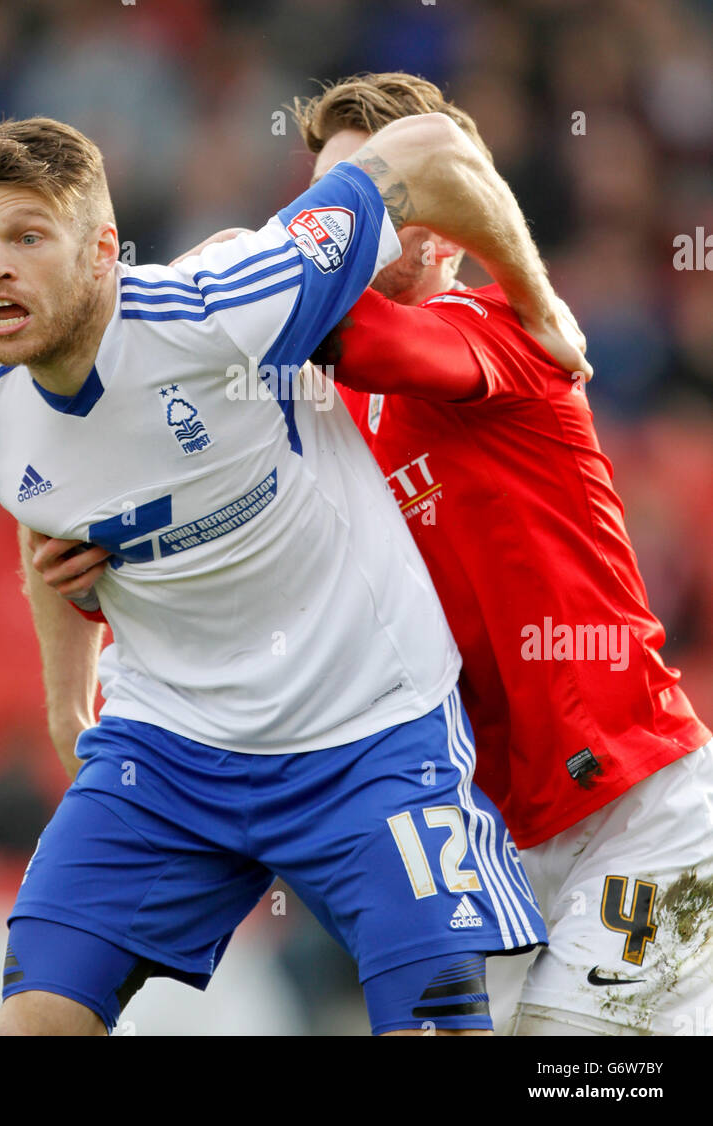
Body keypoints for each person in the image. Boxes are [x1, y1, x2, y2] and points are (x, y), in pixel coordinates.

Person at [0, 113, 585, 1037]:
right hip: (168, 749)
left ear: (103, 254)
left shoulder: (235, 300)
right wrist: (66, 704)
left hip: (370, 732)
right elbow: (40, 498)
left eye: (27, 238)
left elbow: (437, 145)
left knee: (437, 1027)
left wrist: (536, 299)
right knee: (30, 1026)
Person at [285, 71, 713, 1038]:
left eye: (363, 198)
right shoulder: (339, 412)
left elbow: (349, 329)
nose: (331, 227)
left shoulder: (504, 337)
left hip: (636, 815)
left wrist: (244, 274)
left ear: (439, 225)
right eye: (320, 202)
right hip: (490, 848)